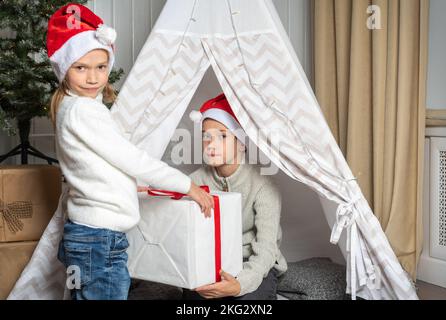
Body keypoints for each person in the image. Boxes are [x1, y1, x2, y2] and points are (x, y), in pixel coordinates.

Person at [46, 3, 213, 300]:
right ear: (63, 69)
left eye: (100, 67)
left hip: (87, 234)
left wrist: (131, 186)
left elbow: (98, 166)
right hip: (99, 237)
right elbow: (131, 158)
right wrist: (186, 185)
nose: (93, 77)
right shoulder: (85, 111)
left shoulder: (74, 107)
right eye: (80, 67)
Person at [183, 93, 287, 300]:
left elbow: (266, 249)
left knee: (247, 300)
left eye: (222, 135)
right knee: (194, 300)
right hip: (211, 265)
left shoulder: (264, 186)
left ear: (241, 143)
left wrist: (240, 285)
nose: (211, 144)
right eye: (206, 136)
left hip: (255, 265)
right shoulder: (192, 181)